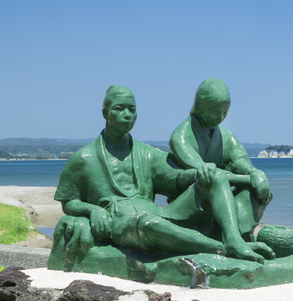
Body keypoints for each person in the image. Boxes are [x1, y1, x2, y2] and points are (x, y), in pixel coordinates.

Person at [54, 85, 274, 263]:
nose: (127, 115)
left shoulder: (148, 154)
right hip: (122, 224)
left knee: (212, 176)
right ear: (105, 113)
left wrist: (243, 178)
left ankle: (235, 240)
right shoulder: (83, 158)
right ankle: (221, 248)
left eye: (132, 109)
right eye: (119, 109)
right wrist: (93, 210)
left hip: (159, 215)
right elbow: (69, 202)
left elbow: (179, 177)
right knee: (148, 224)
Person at [168, 78, 273, 242]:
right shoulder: (180, 137)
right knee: (241, 182)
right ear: (201, 108)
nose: (221, 117)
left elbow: (239, 161)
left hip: (222, 198)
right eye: (216, 112)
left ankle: (240, 235)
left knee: (255, 190)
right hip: (194, 201)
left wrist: (255, 174)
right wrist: (248, 179)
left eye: (225, 112)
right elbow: (207, 172)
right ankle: (227, 238)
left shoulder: (226, 136)